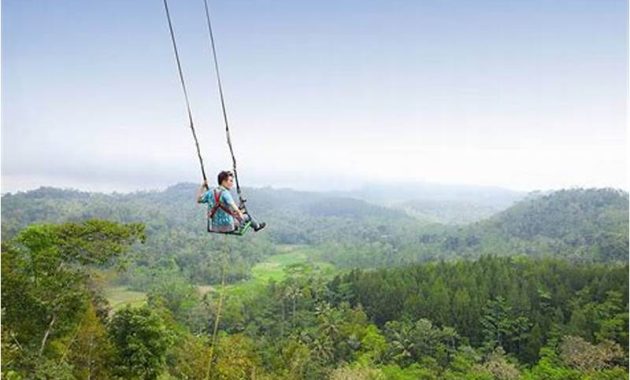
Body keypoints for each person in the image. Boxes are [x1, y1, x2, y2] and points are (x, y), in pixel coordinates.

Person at [196, 170, 266, 233]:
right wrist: (241, 218)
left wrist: (202, 186)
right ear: (223, 181)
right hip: (228, 227)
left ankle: (255, 225)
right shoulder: (225, 193)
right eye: (230, 181)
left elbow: (198, 200)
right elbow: (235, 208)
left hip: (214, 227)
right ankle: (257, 227)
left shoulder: (210, 192)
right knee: (247, 216)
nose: (232, 183)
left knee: (237, 213)